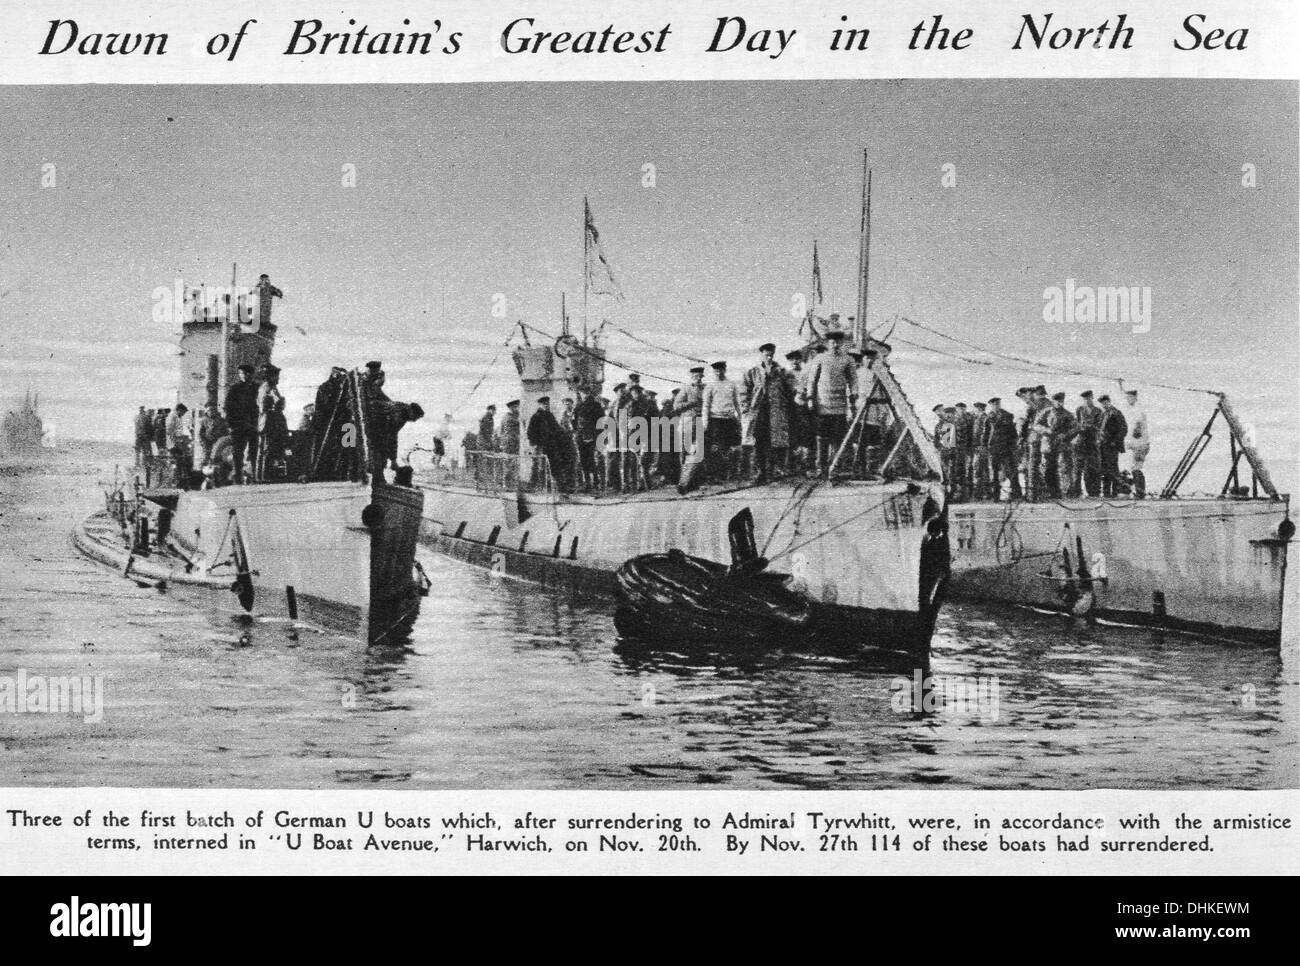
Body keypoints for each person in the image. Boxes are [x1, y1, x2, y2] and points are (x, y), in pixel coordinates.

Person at [805, 331, 857, 476]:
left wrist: (854, 395)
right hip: (823, 404)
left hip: (840, 405)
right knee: (821, 436)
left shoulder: (848, 359)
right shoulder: (820, 358)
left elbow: (853, 379)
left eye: (838, 342)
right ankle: (820, 467)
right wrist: (810, 399)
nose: (835, 345)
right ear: (828, 344)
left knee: (837, 437)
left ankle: (834, 466)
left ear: (841, 344)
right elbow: (812, 380)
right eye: (832, 342)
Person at [742, 343, 792, 484]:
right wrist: (746, 409)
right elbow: (744, 392)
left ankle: (772, 472)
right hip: (758, 412)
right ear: (761, 354)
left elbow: (789, 391)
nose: (769, 357)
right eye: (766, 354)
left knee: (774, 443)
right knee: (758, 442)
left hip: (776, 412)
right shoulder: (753, 372)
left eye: (771, 354)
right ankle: (759, 473)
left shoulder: (781, 372)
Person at [701, 361, 742, 483]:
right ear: (714, 372)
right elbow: (706, 405)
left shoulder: (731, 384)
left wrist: (740, 418)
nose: (718, 373)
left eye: (721, 370)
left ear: (725, 370)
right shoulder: (710, 385)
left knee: (730, 448)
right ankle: (715, 475)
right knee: (716, 448)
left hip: (729, 420)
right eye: (716, 371)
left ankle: (729, 474)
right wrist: (705, 422)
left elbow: (737, 402)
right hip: (715, 420)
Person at [224, 363, 260, 483]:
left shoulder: (256, 388)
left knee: (254, 451)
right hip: (238, 425)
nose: (244, 376)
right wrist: (230, 425)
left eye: (246, 373)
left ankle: (255, 475)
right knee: (238, 452)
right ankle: (237, 477)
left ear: (251, 375)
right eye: (241, 374)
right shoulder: (235, 389)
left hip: (253, 424)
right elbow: (228, 407)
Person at [526, 396, 570, 491]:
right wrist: (534, 445)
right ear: (540, 405)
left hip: (551, 446)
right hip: (540, 446)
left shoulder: (550, 415)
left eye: (547, 404)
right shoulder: (536, 416)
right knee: (540, 466)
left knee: (553, 465)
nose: (546, 405)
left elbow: (557, 429)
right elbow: (530, 432)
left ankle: (552, 487)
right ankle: (539, 486)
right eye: (544, 404)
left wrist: (565, 433)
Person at [674, 367, 707, 494]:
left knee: (697, 453)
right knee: (685, 453)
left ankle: (689, 483)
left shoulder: (705, 389)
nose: (698, 378)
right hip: (687, 424)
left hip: (700, 424)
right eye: (696, 376)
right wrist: (691, 403)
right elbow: (676, 406)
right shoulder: (686, 388)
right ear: (691, 376)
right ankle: (683, 483)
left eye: (700, 376)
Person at [1043, 391, 1078, 499]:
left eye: (1061, 401)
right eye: (1057, 401)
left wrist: (1065, 435)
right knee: (1049, 468)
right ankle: (1052, 491)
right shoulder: (1046, 412)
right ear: (1053, 401)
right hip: (1049, 443)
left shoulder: (1068, 414)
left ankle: (1067, 491)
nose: (1059, 403)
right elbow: (1036, 425)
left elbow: (1076, 428)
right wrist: (1046, 430)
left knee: (1065, 467)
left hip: (1063, 444)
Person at [257, 366, 289, 482]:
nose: (278, 378)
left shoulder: (270, 388)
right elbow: (270, 405)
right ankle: (264, 476)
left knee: (269, 449)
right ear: (270, 376)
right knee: (268, 449)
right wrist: (279, 401)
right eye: (276, 376)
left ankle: (264, 475)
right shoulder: (267, 388)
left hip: (272, 421)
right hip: (270, 422)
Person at [986, 397, 1021, 501]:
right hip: (994, 448)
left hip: (1006, 448)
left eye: (997, 404)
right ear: (991, 406)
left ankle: (1016, 493)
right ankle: (995, 495)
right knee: (994, 472)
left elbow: (1013, 433)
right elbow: (986, 433)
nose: (996, 406)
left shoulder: (1007, 415)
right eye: (993, 405)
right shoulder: (989, 417)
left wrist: (1013, 446)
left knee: (1011, 471)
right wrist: (985, 445)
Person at [1073, 390, 1103, 497]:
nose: (1086, 401)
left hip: (1092, 442)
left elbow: (1099, 426)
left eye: (1088, 399)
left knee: (1092, 469)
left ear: (1092, 398)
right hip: (1081, 442)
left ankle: (1093, 492)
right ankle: (1076, 491)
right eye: (1084, 399)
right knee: (1077, 467)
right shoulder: (1079, 409)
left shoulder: (1098, 411)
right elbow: (1076, 424)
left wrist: (1087, 426)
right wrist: (1082, 427)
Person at [1097, 393, 1128, 497]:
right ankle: (1106, 492)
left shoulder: (1116, 413)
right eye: (1102, 403)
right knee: (1104, 469)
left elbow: (1123, 429)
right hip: (1103, 445)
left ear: (1109, 402)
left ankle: (1114, 492)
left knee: (1113, 469)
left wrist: (1115, 441)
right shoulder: (1103, 414)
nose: (1104, 405)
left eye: (1105, 402)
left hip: (1112, 445)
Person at [573, 387, 604, 491]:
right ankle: (588, 484)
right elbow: (574, 422)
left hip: (593, 437)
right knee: (583, 461)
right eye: (583, 393)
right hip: (581, 437)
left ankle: (596, 482)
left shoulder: (596, 406)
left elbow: (602, 422)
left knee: (592, 460)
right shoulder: (578, 406)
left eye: (586, 393)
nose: (584, 395)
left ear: (589, 393)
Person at [784, 350, 809, 471]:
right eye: (792, 359)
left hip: (803, 407)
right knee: (791, 435)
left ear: (801, 360)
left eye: (797, 359)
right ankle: (790, 465)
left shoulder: (806, 373)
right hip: (790, 408)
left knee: (804, 434)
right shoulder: (786, 374)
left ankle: (804, 463)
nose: (795, 361)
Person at [1122, 387, 1149, 498]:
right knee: (1135, 467)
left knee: (1136, 468)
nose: (1128, 399)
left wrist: (1130, 443)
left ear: (1134, 397)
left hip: (1139, 444)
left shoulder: (1137, 409)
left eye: (1130, 397)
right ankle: (1139, 491)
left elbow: (1137, 428)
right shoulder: (1135, 408)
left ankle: (1140, 492)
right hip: (1140, 444)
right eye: (1127, 397)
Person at [165, 403, 191, 488]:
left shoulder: (176, 417)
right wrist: (177, 441)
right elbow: (169, 431)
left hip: (176, 444)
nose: (183, 414)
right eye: (183, 412)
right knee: (176, 464)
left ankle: (178, 483)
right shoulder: (173, 417)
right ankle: (175, 483)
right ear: (179, 410)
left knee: (179, 464)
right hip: (174, 445)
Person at [952, 402, 974, 500]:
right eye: (959, 409)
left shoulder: (970, 420)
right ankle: (958, 493)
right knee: (957, 471)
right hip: (956, 449)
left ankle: (967, 494)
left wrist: (970, 449)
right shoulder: (952, 420)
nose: (961, 411)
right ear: (956, 410)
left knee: (967, 471)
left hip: (966, 449)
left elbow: (972, 435)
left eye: (963, 409)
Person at [198, 403, 228, 469]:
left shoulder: (222, 421)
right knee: (205, 460)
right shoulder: (204, 421)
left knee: (218, 461)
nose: (211, 412)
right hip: (207, 444)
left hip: (218, 444)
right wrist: (203, 444)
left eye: (213, 410)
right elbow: (200, 434)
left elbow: (226, 433)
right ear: (206, 411)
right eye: (209, 410)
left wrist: (221, 443)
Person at [971, 401, 991, 499]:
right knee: (984, 469)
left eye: (975, 409)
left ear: (978, 409)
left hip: (980, 447)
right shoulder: (981, 418)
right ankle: (986, 492)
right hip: (982, 447)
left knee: (978, 469)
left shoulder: (982, 419)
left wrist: (979, 447)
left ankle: (979, 493)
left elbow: (982, 434)